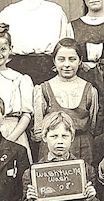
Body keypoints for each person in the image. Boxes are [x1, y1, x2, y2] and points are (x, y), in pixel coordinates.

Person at [0, 0, 72, 84]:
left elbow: (64, 45)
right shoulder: (8, 13)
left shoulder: (55, 11)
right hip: (16, 70)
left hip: (48, 70)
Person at [32, 38, 99, 167]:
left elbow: (93, 124)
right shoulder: (44, 89)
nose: (67, 64)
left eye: (72, 59)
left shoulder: (90, 90)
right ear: (54, 61)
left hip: (83, 147)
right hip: (51, 147)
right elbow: (39, 129)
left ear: (80, 61)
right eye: (61, 59)